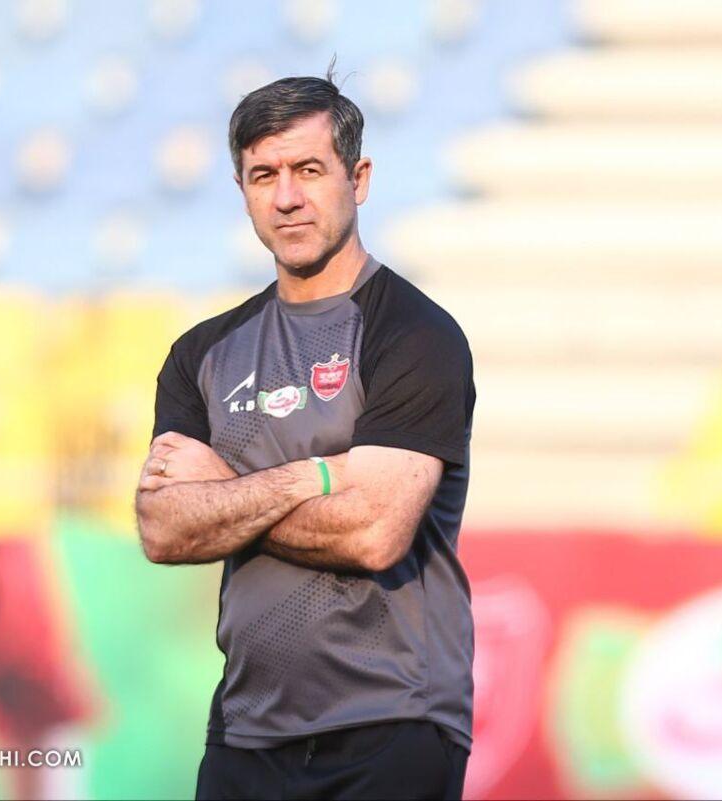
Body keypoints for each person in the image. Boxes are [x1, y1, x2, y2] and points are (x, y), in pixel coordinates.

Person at [135, 71, 476, 800]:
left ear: (359, 178)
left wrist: (224, 495)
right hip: (245, 731)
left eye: (309, 170)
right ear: (242, 190)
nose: (286, 196)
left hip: (392, 720)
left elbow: (373, 531)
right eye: (264, 175)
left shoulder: (414, 334)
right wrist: (317, 475)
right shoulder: (202, 353)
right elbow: (164, 527)